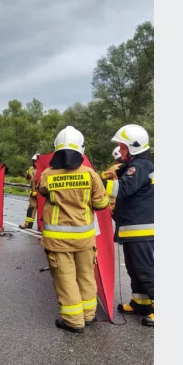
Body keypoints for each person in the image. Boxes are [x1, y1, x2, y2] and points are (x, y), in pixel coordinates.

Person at [38, 126, 110, 333]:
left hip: (57, 242)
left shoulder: (47, 174)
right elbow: (102, 204)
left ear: (56, 150)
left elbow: (42, 192)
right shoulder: (90, 175)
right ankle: (88, 315)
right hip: (85, 239)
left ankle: (73, 320)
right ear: (81, 149)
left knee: (66, 279)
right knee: (86, 276)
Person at [107, 124, 154, 327]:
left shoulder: (141, 166)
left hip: (141, 229)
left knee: (145, 269)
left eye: (122, 146)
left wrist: (96, 183)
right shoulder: (136, 166)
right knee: (134, 269)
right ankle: (141, 303)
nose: (120, 149)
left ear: (133, 147)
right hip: (133, 228)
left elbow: (122, 189)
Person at [20, 153, 39, 229]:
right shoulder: (30, 169)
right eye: (34, 161)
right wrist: (27, 176)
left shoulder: (44, 169)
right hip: (33, 193)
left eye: (36, 161)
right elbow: (27, 177)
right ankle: (28, 224)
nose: (35, 163)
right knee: (31, 208)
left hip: (42, 193)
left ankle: (43, 227)